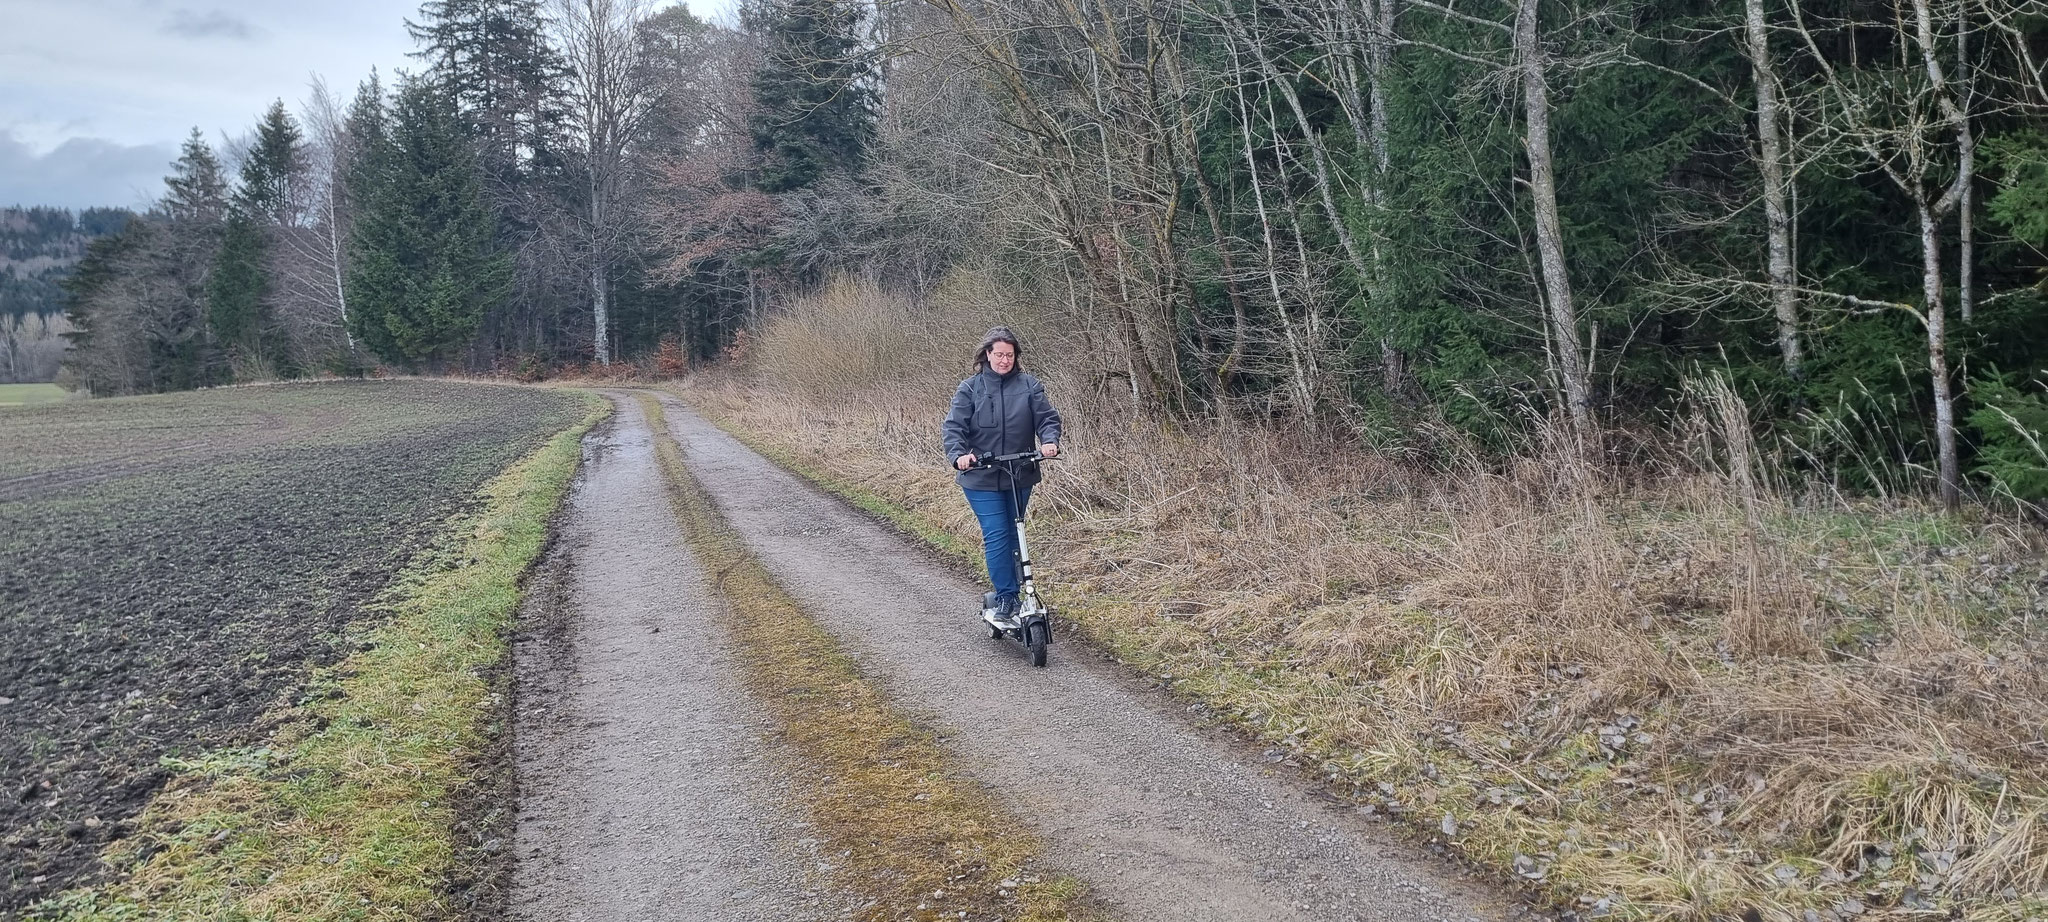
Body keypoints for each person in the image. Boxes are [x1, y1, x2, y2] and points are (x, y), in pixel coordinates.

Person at [941, 326, 1063, 621]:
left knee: (1014, 535)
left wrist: (1049, 441)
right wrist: (959, 456)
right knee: (997, 535)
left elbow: (1047, 418)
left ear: (1015, 357)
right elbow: (954, 427)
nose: (1004, 360)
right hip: (980, 477)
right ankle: (1007, 598)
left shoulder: (1030, 386)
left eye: (1009, 355)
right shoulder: (970, 388)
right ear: (987, 354)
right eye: (999, 354)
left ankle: (1018, 590)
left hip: (1019, 473)